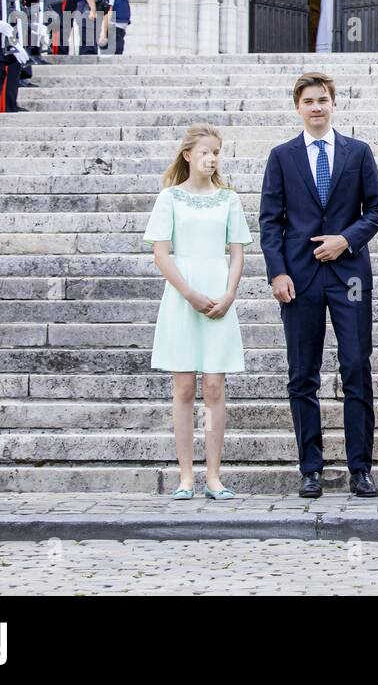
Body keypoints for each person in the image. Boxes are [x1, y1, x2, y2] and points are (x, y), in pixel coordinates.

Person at [259, 71, 378, 498]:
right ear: (298, 107)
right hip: (299, 279)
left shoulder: (358, 152)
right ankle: (310, 468)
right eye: (308, 101)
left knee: (355, 368)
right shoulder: (282, 156)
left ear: (334, 104)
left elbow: (377, 211)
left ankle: (360, 468)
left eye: (323, 100)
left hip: (349, 276)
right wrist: (278, 273)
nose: (316, 107)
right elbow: (270, 221)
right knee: (303, 375)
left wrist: (345, 240)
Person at [144, 124, 252, 501]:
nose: (212, 158)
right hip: (181, 295)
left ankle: (214, 474)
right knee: (185, 387)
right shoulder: (169, 198)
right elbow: (161, 252)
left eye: (217, 152)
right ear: (188, 155)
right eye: (205, 151)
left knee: (214, 387)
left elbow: (237, 251)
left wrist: (229, 293)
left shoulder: (228, 199)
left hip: (219, 296)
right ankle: (186, 475)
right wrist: (188, 293)